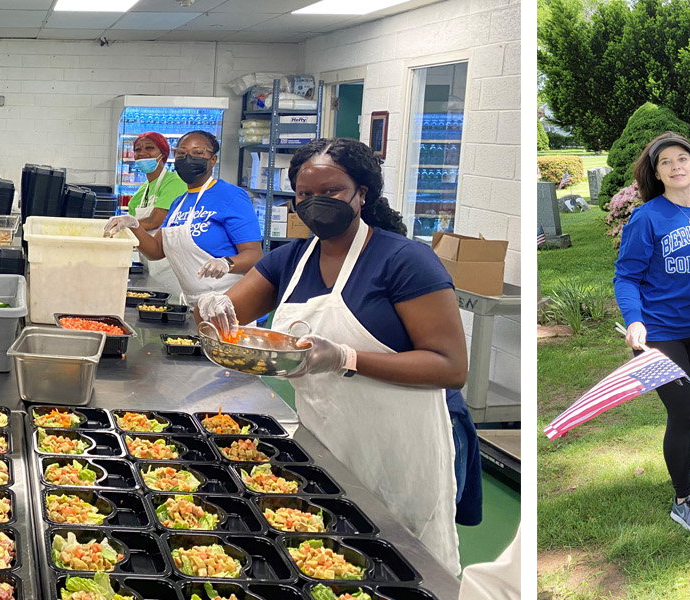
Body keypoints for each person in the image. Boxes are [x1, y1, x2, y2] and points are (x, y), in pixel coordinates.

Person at [190, 138, 471, 569]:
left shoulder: (405, 261)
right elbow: (224, 320)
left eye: (332, 192)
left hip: (398, 446)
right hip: (325, 439)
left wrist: (345, 357)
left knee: (399, 562)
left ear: (363, 193)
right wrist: (211, 306)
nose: (315, 203)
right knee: (332, 557)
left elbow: (450, 366)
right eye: (304, 194)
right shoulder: (292, 259)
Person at [609, 133, 690, 531]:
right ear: (656, 173)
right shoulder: (647, 217)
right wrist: (634, 319)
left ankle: (689, 462)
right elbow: (626, 275)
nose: (677, 166)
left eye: (684, 159)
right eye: (666, 162)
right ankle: (682, 498)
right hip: (659, 332)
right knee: (683, 411)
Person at [107, 130, 261, 299]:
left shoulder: (231, 196)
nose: (188, 158)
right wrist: (133, 225)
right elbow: (156, 251)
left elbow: (254, 255)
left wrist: (226, 263)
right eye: (181, 153)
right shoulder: (179, 203)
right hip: (191, 301)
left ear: (213, 160)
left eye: (197, 153)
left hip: (228, 299)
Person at [123, 131, 190, 220]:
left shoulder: (175, 182)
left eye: (149, 148)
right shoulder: (142, 191)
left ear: (163, 154)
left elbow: (155, 221)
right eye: (137, 149)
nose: (142, 153)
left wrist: (126, 225)